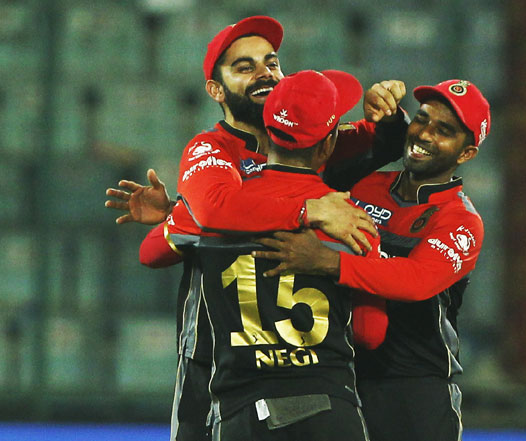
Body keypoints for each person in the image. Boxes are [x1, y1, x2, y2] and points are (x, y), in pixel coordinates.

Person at [104, 15, 407, 441]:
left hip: (291, 364)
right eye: (244, 67)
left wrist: (390, 113)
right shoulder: (211, 148)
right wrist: (311, 210)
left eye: (272, 62)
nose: (264, 73)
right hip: (211, 358)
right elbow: (208, 214)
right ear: (216, 89)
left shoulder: (313, 142)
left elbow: (384, 142)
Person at [155, 69, 388, 441]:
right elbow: (369, 333)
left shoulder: (218, 208)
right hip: (330, 409)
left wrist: (169, 210)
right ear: (329, 145)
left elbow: (151, 251)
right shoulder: (350, 220)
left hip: (239, 411)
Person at [252, 79, 491, 441]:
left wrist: (329, 263)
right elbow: (294, 172)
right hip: (341, 375)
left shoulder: (461, 220)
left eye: (444, 131)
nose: (424, 134)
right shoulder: (365, 183)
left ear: (466, 153)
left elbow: (415, 281)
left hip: (413, 389)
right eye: (422, 119)